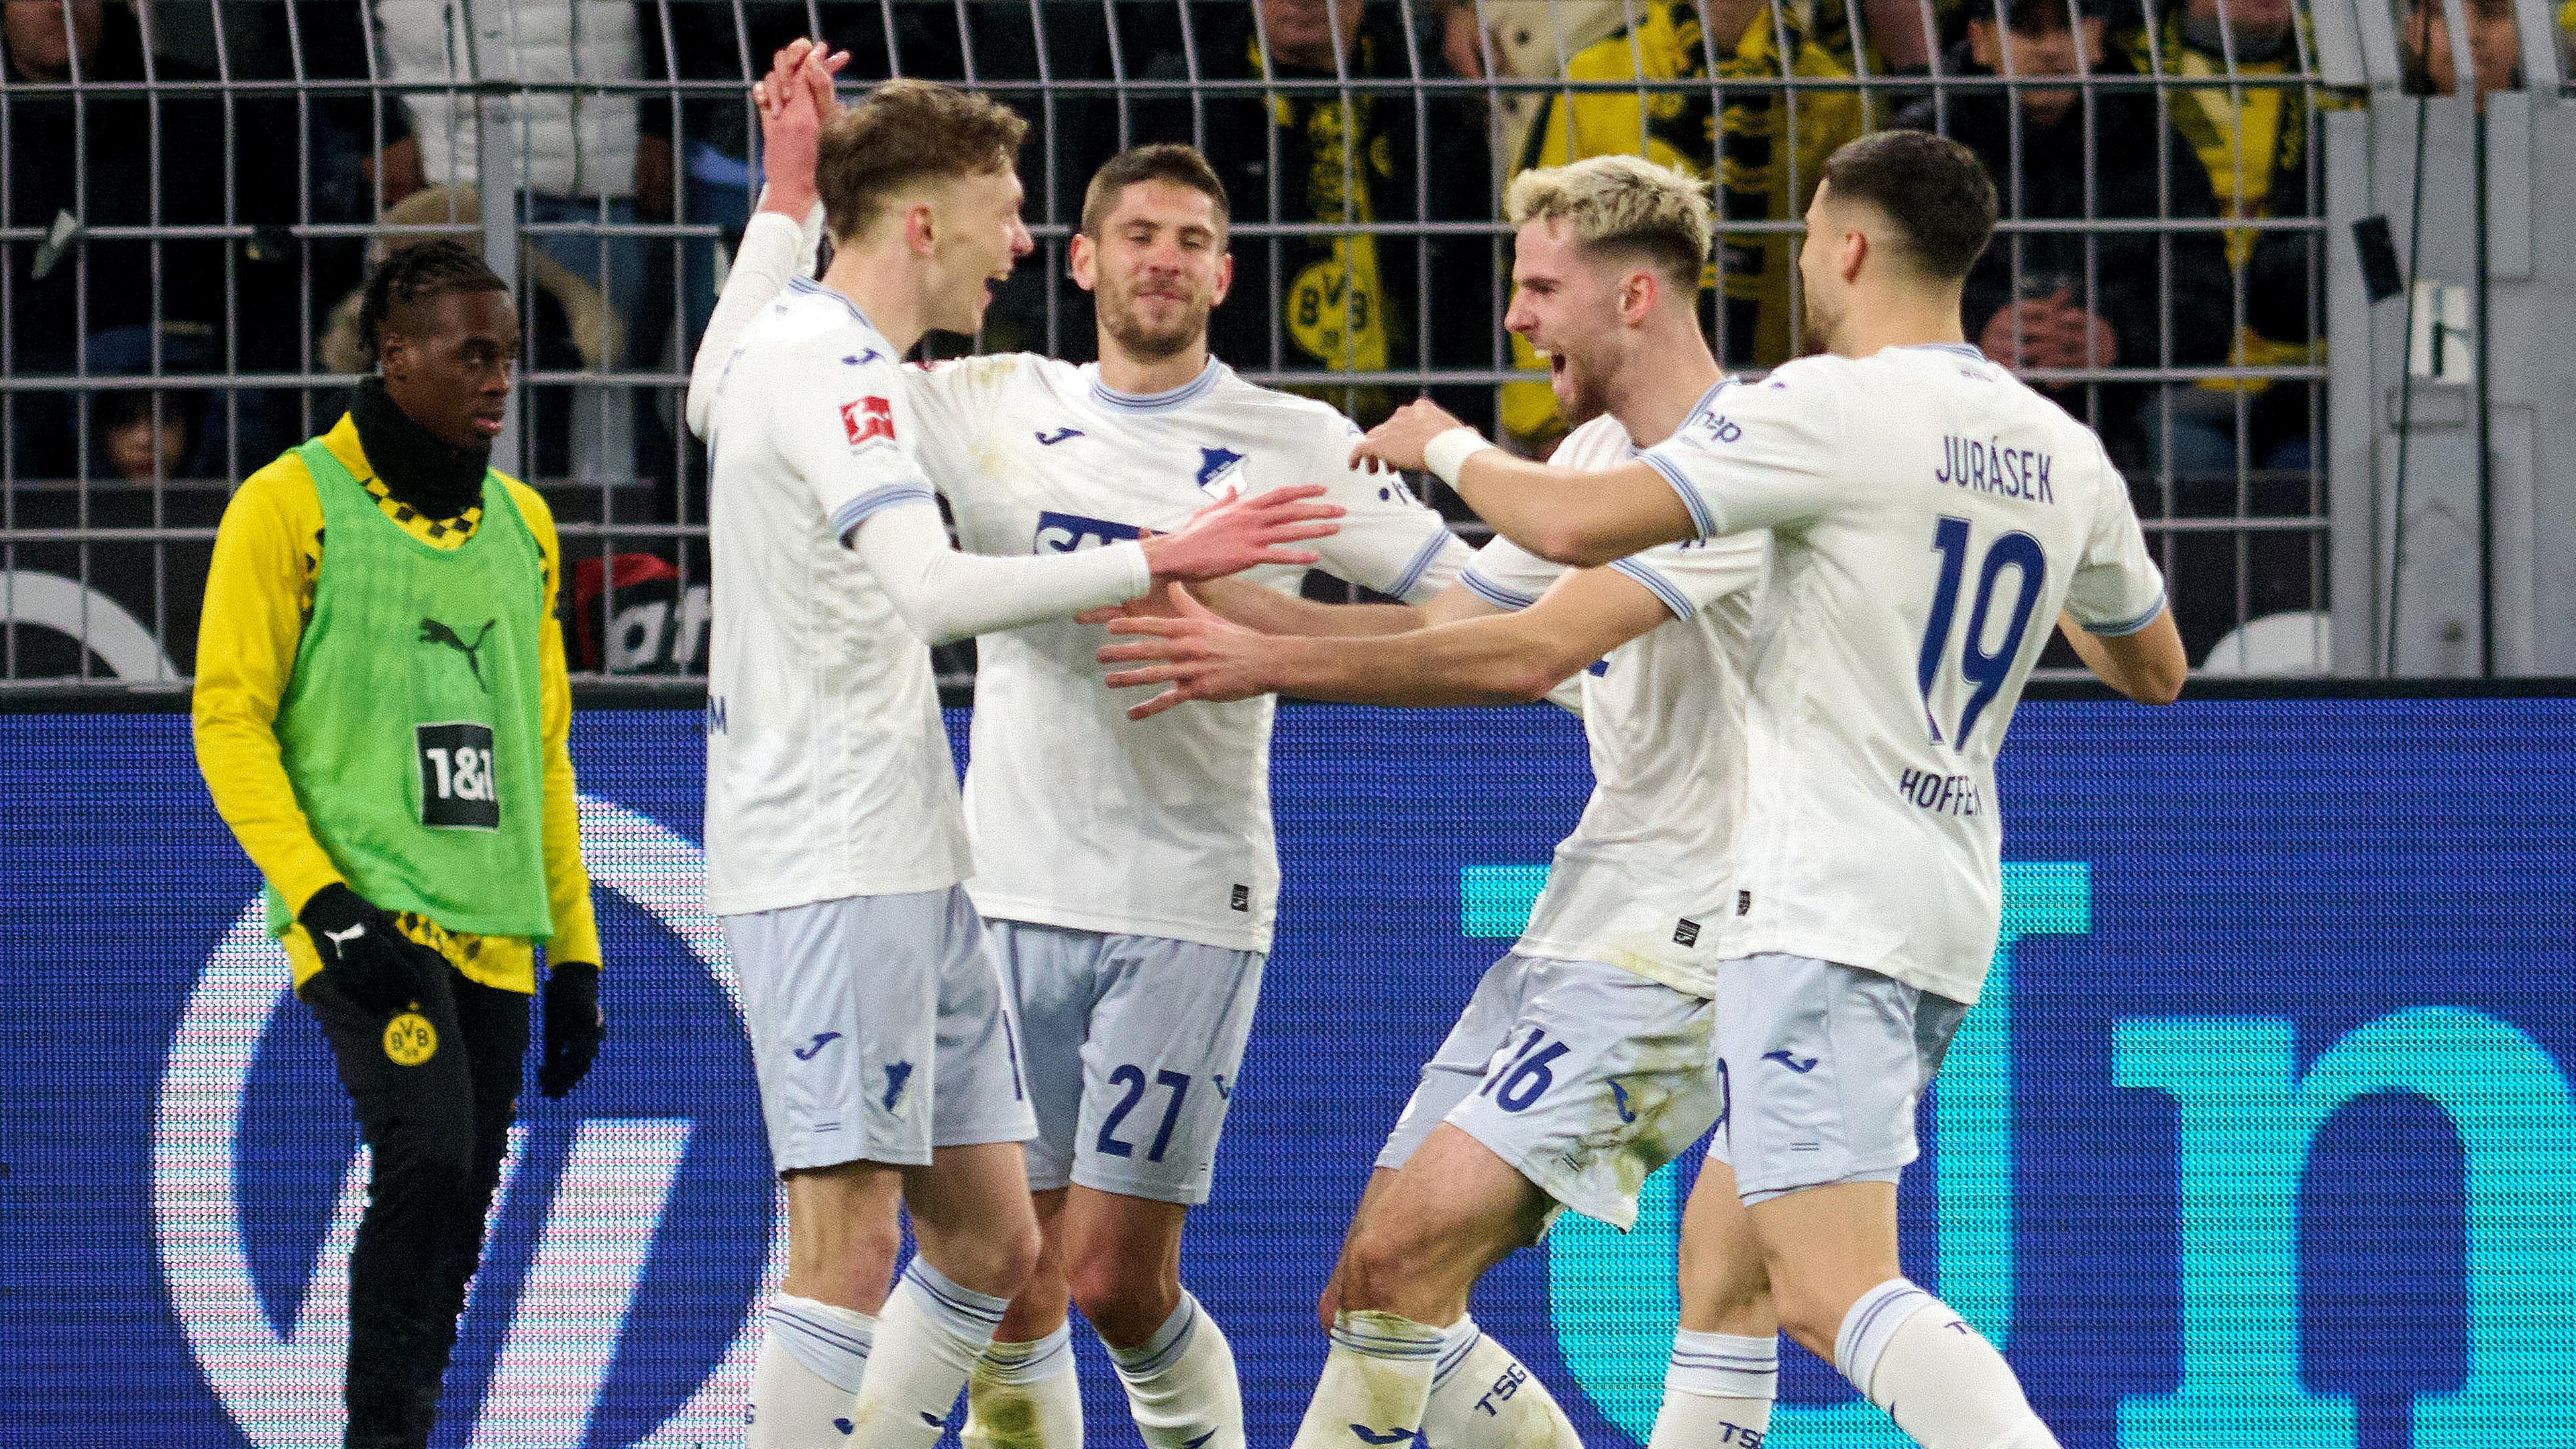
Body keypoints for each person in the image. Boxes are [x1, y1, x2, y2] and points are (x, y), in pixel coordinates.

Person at [1326, 128, 2186, 1449]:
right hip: (1946, 906)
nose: (1804, 275)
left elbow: (1560, 540)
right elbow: (2154, 667)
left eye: (1807, 248)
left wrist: (1442, 445)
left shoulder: (1823, 411)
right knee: (1730, 1283)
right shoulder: (2058, 451)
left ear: (1846, 244)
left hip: (1815, 902)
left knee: (1833, 1286)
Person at [691, 72, 1346, 1448]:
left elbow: (707, 388)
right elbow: (930, 590)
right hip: (829, 855)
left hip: (923, 861)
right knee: (847, 1251)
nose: (1024, 243)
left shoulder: (792, 342)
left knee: (998, 1254)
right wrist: (1160, 558)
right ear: (925, 225)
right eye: (1005, 210)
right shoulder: (838, 366)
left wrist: (785, 192)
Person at [1100, 152, 1788, 1449]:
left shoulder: (1741, 466)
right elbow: (1456, 614)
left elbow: (1527, 654)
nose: (1516, 318)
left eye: (1539, 288)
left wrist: (1269, 663)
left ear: (1634, 297)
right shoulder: (1593, 454)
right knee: (1374, 1282)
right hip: (1590, 911)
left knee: (1411, 1261)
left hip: (1691, 942)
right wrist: (1176, 573)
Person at [191, 240, 607, 1449]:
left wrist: (573, 953)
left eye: (510, 355)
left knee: (464, 1198)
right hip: (367, 915)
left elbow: (542, 751)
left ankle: (406, 1424)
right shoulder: (287, 505)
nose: (499, 377)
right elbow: (228, 720)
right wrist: (321, 899)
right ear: (393, 353)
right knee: (426, 1159)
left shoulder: (524, 526)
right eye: (471, 352)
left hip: (496, 927)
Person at [1499, 0, 1864, 447]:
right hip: (1607, 417)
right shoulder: (1598, 75)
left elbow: (1851, 271)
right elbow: (1538, 260)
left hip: (1772, 405)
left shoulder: (1830, 92)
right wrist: (1551, 422)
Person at [1896, 0, 2233, 471]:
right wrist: (1974, 333)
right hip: (1951, 416)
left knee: (2194, 457)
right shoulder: (1920, 145)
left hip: (2113, 419)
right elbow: (1875, 296)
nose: (2052, 50)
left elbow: (2209, 307)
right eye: (2026, 30)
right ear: (1980, 41)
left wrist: (2116, 340)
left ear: (2096, 37)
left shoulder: (2155, 141)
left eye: (2069, 27)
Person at [1128, 0, 1494, 429]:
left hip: (1414, 418)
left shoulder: (1432, 101)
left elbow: (1473, 276)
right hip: (1234, 416)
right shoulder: (1181, 102)